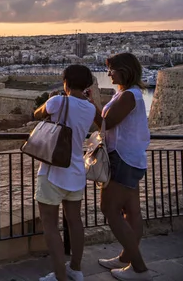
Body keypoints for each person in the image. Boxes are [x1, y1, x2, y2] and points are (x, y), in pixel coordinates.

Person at [88, 53, 151, 281]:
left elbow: (107, 123)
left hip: (122, 159)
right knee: (131, 211)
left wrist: (89, 105)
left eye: (111, 69)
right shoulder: (127, 94)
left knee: (109, 209)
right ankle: (126, 257)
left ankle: (140, 269)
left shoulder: (128, 96)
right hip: (131, 158)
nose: (108, 73)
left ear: (124, 69)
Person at [34, 64, 96, 281]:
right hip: (77, 171)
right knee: (75, 221)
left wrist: (55, 96)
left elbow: (37, 113)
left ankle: (60, 276)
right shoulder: (90, 108)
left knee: (50, 225)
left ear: (65, 81)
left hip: (52, 172)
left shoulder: (59, 101)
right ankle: (76, 270)